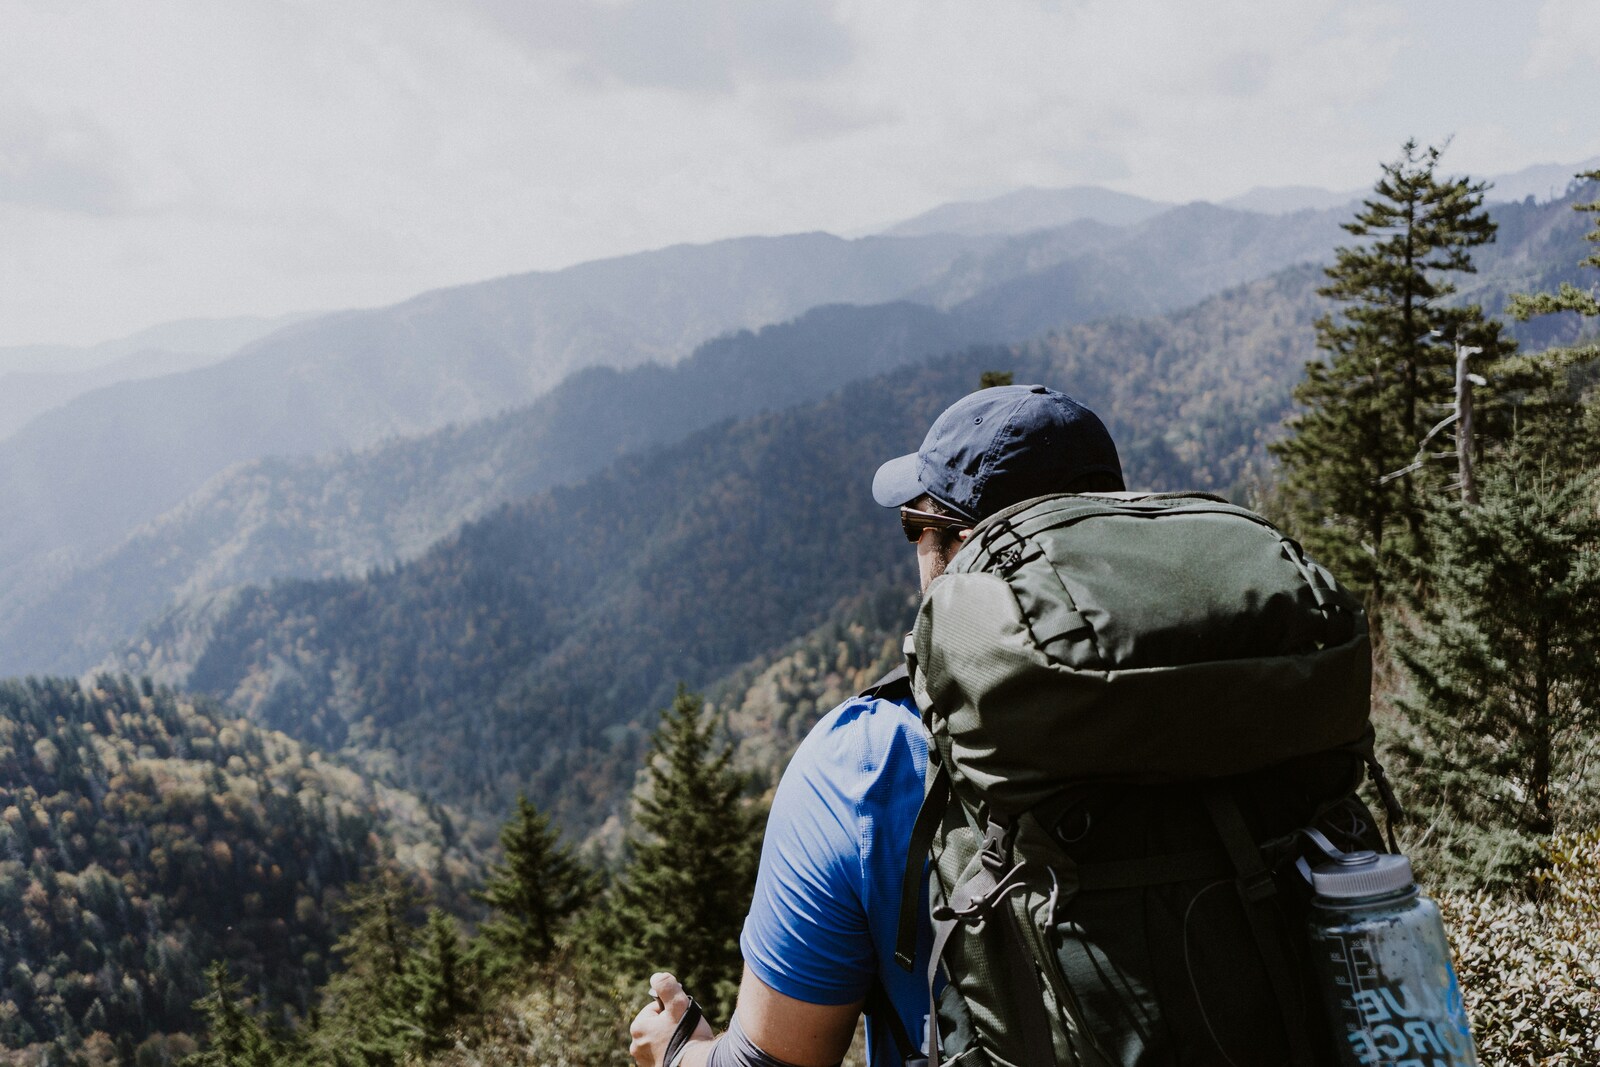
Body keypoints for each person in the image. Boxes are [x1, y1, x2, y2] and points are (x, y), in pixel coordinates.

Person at [630, 384, 1125, 1067]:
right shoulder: (1244, 702)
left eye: (918, 526)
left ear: (953, 547)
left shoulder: (865, 763)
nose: (915, 546)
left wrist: (681, 1049)